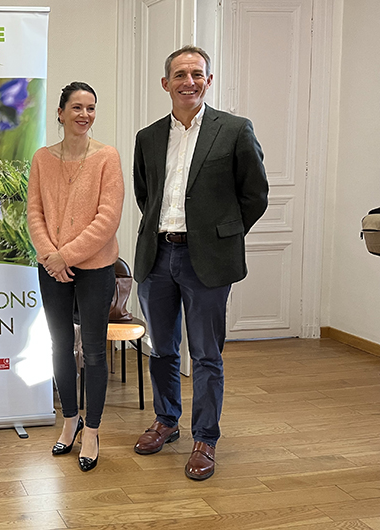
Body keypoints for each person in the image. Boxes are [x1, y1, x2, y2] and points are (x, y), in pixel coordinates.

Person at [132, 45, 269, 480]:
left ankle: (205, 438)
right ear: (165, 83)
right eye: (180, 74)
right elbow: (145, 195)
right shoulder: (148, 137)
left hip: (205, 259)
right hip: (158, 255)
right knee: (163, 348)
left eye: (197, 74)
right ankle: (166, 421)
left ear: (208, 81)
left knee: (207, 354)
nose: (188, 81)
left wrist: (219, 236)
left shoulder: (234, 130)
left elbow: (255, 195)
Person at [27, 82, 125, 472]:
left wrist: (64, 255)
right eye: (77, 107)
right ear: (60, 113)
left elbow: (108, 218)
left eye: (91, 108)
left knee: (95, 351)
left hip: (95, 268)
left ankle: (93, 431)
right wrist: (50, 257)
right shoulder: (42, 158)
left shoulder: (107, 157)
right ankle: (70, 420)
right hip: (51, 267)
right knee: (59, 346)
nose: (84, 115)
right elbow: (34, 212)